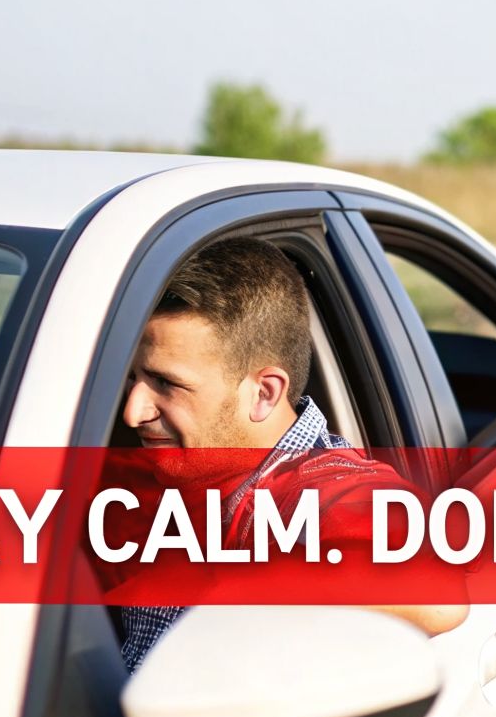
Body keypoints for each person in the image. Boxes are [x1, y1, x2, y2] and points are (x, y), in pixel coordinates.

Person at [111, 236, 466, 673]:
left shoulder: (321, 489)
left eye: (167, 384)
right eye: (132, 378)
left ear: (264, 393)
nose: (133, 411)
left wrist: (229, 587)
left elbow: (436, 597)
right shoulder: (174, 467)